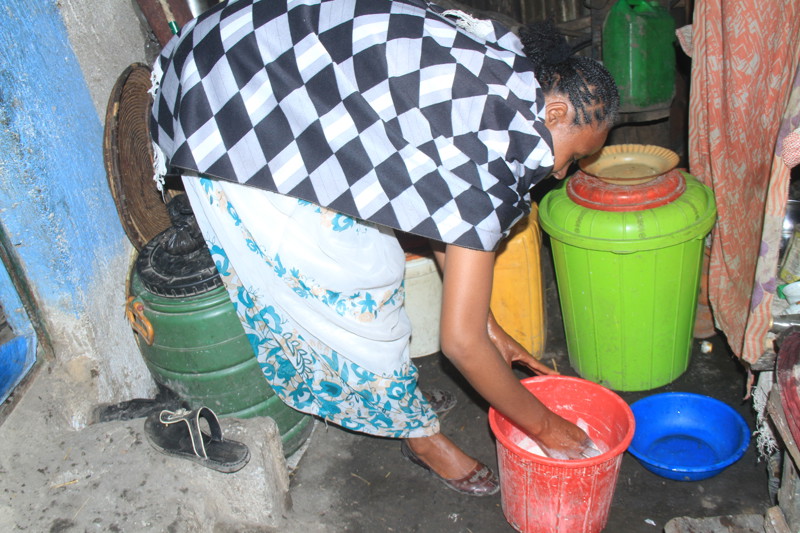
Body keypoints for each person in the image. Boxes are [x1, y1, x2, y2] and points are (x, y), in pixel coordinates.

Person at [149, 0, 618, 497]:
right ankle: (417, 435)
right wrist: (547, 427)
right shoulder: (496, 138)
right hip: (232, 101)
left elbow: (446, 205)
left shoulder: (516, 81)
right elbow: (459, 344)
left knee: (378, 263)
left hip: (295, 81)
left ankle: (395, 394)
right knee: (351, 295)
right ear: (558, 110)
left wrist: (488, 325)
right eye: (575, 154)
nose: (564, 172)